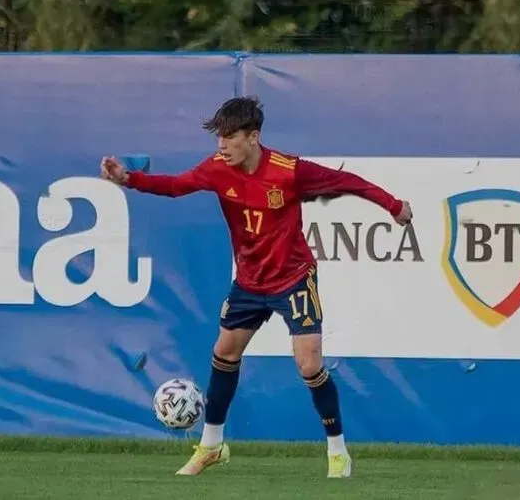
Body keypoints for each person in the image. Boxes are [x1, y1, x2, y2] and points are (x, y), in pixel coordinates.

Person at [100, 96, 412, 478]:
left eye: (230, 137)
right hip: (249, 283)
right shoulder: (217, 168)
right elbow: (175, 185)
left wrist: (393, 205)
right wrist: (129, 179)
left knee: (309, 363)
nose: (222, 145)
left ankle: (337, 452)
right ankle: (211, 446)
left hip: (293, 278)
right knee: (224, 352)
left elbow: (348, 182)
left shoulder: (289, 171)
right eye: (219, 137)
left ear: (253, 137)